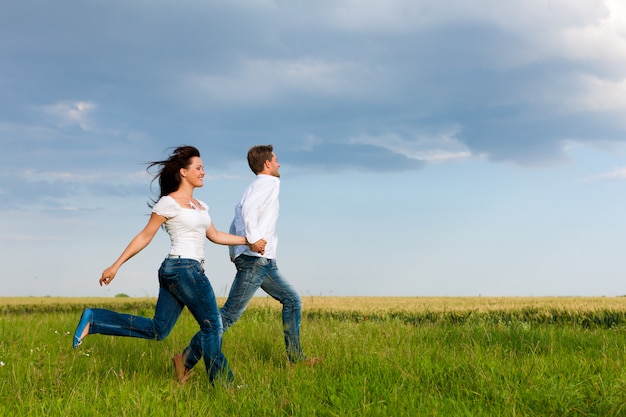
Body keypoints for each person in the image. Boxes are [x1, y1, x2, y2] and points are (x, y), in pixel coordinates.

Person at [72, 145, 265, 385]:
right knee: (213, 326)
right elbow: (145, 236)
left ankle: (95, 319)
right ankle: (226, 385)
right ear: (184, 172)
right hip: (185, 269)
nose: (203, 172)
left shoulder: (200, 206)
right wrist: (116, 265)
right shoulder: (168, 203)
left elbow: (214, 235)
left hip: (178, 271)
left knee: (158, 330)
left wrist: (248, 241)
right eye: (199, 168)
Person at [175, 145, 320, 380]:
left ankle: (296, 360)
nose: (279, 164)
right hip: (256, 260)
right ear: (267, 164)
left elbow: (236, 218)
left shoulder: (251, 188)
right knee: (229, 315)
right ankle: (186, 359)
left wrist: (234, 249)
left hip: (262, 261)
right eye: (276, 160)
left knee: (292, 300)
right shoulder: (269, 184)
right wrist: (252, 241)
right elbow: (249, 212)